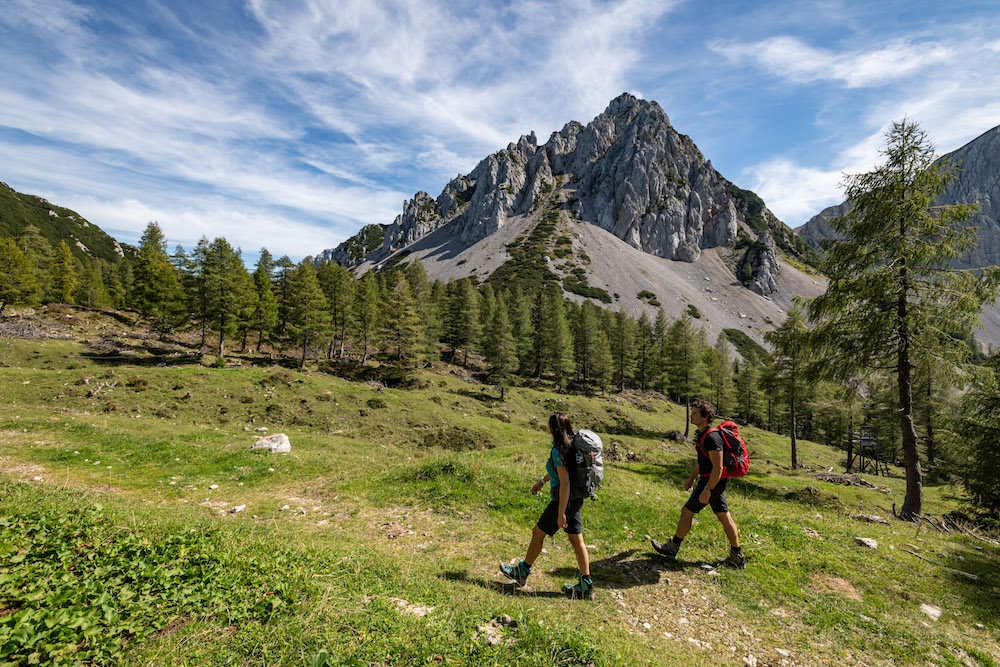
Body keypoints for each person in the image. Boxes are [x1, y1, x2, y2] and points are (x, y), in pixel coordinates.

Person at [499, 412, 594, 599]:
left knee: (538, 532)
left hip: (564, 500)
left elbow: (564, 482)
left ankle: (522, 571)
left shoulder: (559, 450)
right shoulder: (572, 444)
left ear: (554, 428)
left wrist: (561, 513)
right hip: (576, 498)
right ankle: (586, 584)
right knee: (577, 540)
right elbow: (560, 472)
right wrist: (542, 482)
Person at [651, 399, 746, 569]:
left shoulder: (711, 437)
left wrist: (707, 489)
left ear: (706, 417)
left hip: (712, 482)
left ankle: (673, 548)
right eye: (691, 412)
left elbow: (718, 466)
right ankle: (737, 556)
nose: (691, 416)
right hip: (711, 481)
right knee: (724, 516)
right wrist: (692, 477)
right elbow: (701, 460)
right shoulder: (703, 434)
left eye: (695, 413)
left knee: (686, 512)